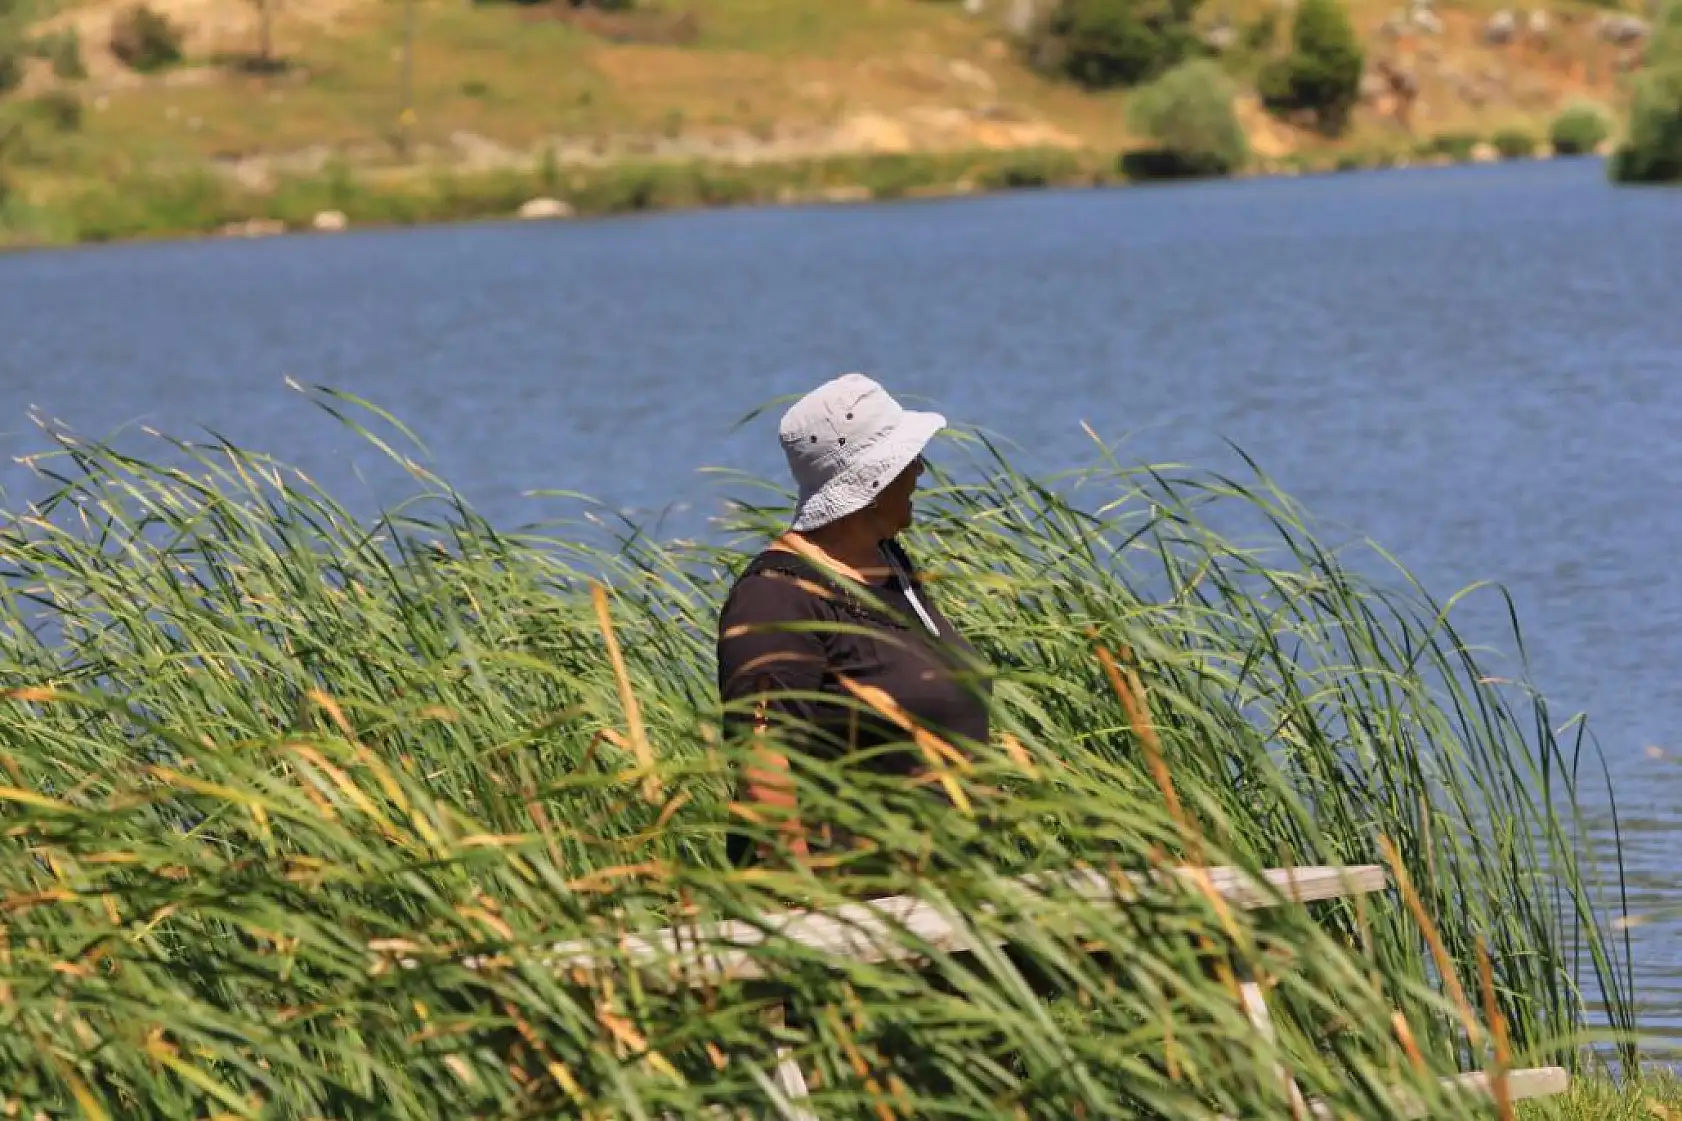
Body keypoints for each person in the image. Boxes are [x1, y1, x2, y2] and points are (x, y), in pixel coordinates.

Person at [716, 373, 991, 865]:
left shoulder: (892, 565)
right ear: (873, 479)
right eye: (908, 460)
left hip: (946, 888)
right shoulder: (777, 598)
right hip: (859, 907)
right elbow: (764, 766)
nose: (921, 470)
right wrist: (807, 913)